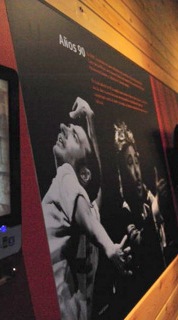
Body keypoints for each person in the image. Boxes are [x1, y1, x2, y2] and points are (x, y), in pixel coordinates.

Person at [42, 97, 131, 320]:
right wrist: (89, 120)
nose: (62, 127)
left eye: (73, 135)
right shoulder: (74, 194)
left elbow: (88, 209)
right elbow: (95, 191)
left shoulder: (65, 175)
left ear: (83, 174)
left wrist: (109, 247)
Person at [109, 121, 169, 313]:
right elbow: (140, 244)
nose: (136, 171)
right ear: (120, 172)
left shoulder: (147, 195)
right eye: (129, 164)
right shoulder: (122, 210)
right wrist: (156, 210)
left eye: (136, 161)